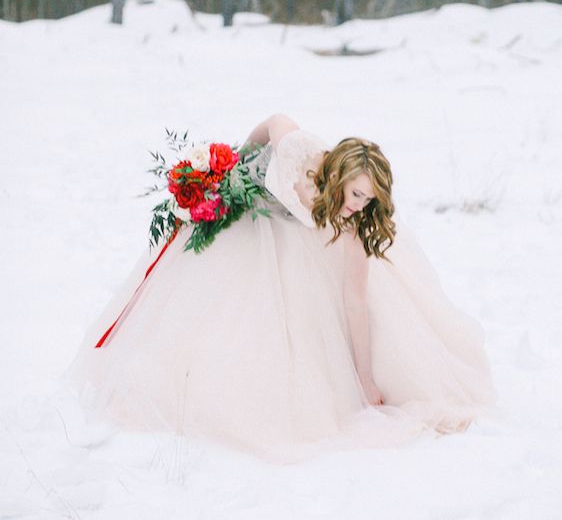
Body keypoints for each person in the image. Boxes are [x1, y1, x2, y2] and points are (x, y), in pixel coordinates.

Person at [66, 114, 496, 461]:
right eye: (355, 193)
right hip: (249, 222)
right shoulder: (301, 152)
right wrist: (234, 161)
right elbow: (273, 121)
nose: (358, 204)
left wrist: (364, 377)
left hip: (294, 242)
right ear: (338, 171)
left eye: (369, 199)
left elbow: (355, 302)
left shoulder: (353, 228)